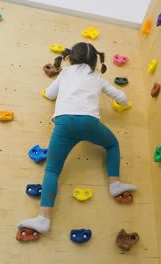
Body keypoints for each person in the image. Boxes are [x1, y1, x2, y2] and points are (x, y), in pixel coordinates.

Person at [17, 42, 137, 234]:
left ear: (71, 57)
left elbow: (49, 94)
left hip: (64, 124)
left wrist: (51, 93)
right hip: (90, 123)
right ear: (95, 61)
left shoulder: (64, 73)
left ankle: (43, 218)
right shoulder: (97, 77)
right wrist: (126, 102)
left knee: (53, 171)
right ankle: (115, 184)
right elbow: (120, 96)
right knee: (112, 144)